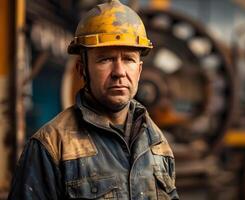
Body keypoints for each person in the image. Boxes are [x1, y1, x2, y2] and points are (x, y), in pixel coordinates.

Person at [8, 0, 179, 199]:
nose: (119, 72)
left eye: (128, 59)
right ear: (82, 69)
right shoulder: (51, 146)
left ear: (139, 70)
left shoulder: (157, 142)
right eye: (105, 59)